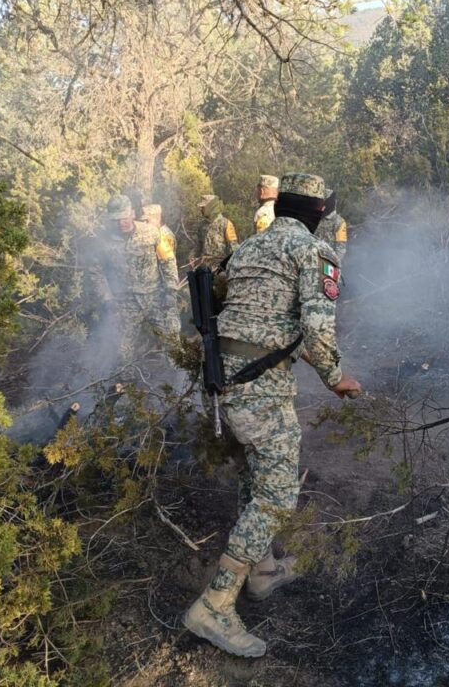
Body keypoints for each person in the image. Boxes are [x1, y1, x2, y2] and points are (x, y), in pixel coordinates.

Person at [182, 172, 362, 658]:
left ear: (280, 206)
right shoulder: (314, 252)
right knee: (278, 496)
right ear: (319, 213)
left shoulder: (249, 248)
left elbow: (236, 311)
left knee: (256, 478)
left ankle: (260, 571)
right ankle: (214, 605)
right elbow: (318, 329)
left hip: (224, 379)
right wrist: (336, 377)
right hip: (260, 386)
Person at [92, 195, 163, 369]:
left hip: (156, 297)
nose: (120, 223)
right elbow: (96, 272)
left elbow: (167, 261)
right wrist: (107, 299)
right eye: (115, 219)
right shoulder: (103, 242)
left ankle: (180, 380)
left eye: (124, 217)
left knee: (172, 340)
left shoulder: (152, 232)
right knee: (123, 350)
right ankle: (126, 383)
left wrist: (171, 290)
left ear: (132, 213)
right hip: (125, 303)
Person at [141, 203, 181, 339]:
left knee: (169, 326)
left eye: (147, 220)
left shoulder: (163, 236)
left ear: (157, 218)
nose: (144, 224)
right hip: (154, 290)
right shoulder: (152, 234)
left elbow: (168, 265)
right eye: (143, 221)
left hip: (164, 289)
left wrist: (169, 291)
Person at [197, 194, 239, 269]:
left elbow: (233, 248)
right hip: (204, 267)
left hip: (220, 267)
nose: (201, 210)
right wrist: (192, 257)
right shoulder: (202, 225)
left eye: (203, 207)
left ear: (211, 207)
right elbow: (198, 245)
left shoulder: (226, 224)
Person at [316, 188, 348, 262]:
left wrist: (333, 263)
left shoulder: (339, 222)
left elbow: (340, 249)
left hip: (328, 262)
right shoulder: (315, 217)